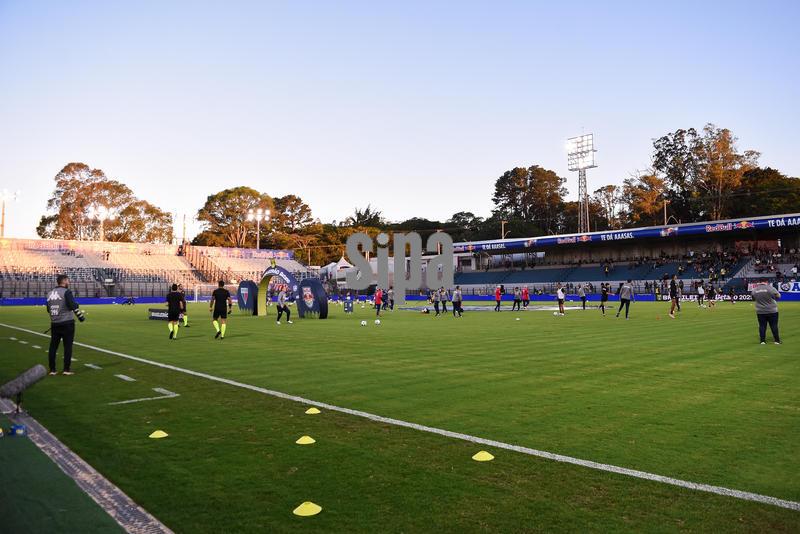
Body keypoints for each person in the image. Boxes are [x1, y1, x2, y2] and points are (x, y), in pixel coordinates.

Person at [45, 274, 85, 375]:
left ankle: (52, 370)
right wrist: (80, 316)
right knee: (67, 346)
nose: (69, 282)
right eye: (68, 280)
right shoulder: (67, 292)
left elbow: (48, 309)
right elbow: (73, 306)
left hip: (54, 323)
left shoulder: (49, 293)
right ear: (64, 281)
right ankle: (66, 370)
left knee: (53, 347)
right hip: (67, 323)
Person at [751, 279, 781, 345]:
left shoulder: (754, 290)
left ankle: (762, 341)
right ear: (766, 282)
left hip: (760, 311)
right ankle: (777, 341)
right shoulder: (771, 288)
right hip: (772, 310)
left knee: (762, 326)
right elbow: (778, 296)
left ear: (759, 282)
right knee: (774, 325)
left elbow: (753, 298)